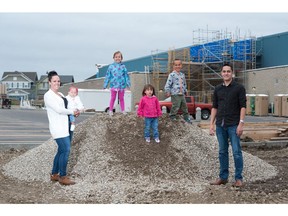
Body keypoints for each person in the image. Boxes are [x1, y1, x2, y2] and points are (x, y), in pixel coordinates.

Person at [209, 63, 246, 188]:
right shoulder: (217, 89)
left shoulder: (239, 88)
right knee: (222, 152)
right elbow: (215, 107)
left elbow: (243, 107)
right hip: (220, 125)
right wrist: (211, 125)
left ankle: (238, 178)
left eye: (228, 71)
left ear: (232, 73)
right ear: (221, 73)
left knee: (236, 152)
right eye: (224, 71)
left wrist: (241, 124)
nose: (226, 73)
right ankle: (223, 177)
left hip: (234, 125)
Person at [44, 71, 80, 186]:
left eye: (58, 81)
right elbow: (58, 109)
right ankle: (62, 176)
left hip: (67, 126)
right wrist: (71, 111)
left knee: (61, 150)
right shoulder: (48, 95)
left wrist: (75, 112)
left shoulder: (61, 94)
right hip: (58, 127)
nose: (57, 83)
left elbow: (67, 107)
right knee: (66, 150)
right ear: (49, 82)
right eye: (54, 81)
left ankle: (54, 174)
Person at [103, 51, 131, 116]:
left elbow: (126, 76)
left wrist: (128, 84)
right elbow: (108, 76)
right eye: (116, 57)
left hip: (121, 85)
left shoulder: (123, 67)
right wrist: (105, 85)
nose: (117, 58)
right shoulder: (111, 67)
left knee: (121, 98)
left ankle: (123, 110)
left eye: (119, 57)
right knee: (113, 98)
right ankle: (110, 110)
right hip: (114, 85)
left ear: (121, 58)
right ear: (113, 58)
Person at [164, 59, 191, 123]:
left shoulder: (182, 75)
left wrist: (185, 91)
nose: (177, 66)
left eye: (179, 65)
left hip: (182, 93)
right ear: (173, 66)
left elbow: (184, 84)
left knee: (184, 106)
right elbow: (168, 83)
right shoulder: (172, 75)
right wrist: (167, 91)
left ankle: (186, 118)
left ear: (181, 65)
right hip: (175, 93)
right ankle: (172, 116)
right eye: (176, 65)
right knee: (176, 105)